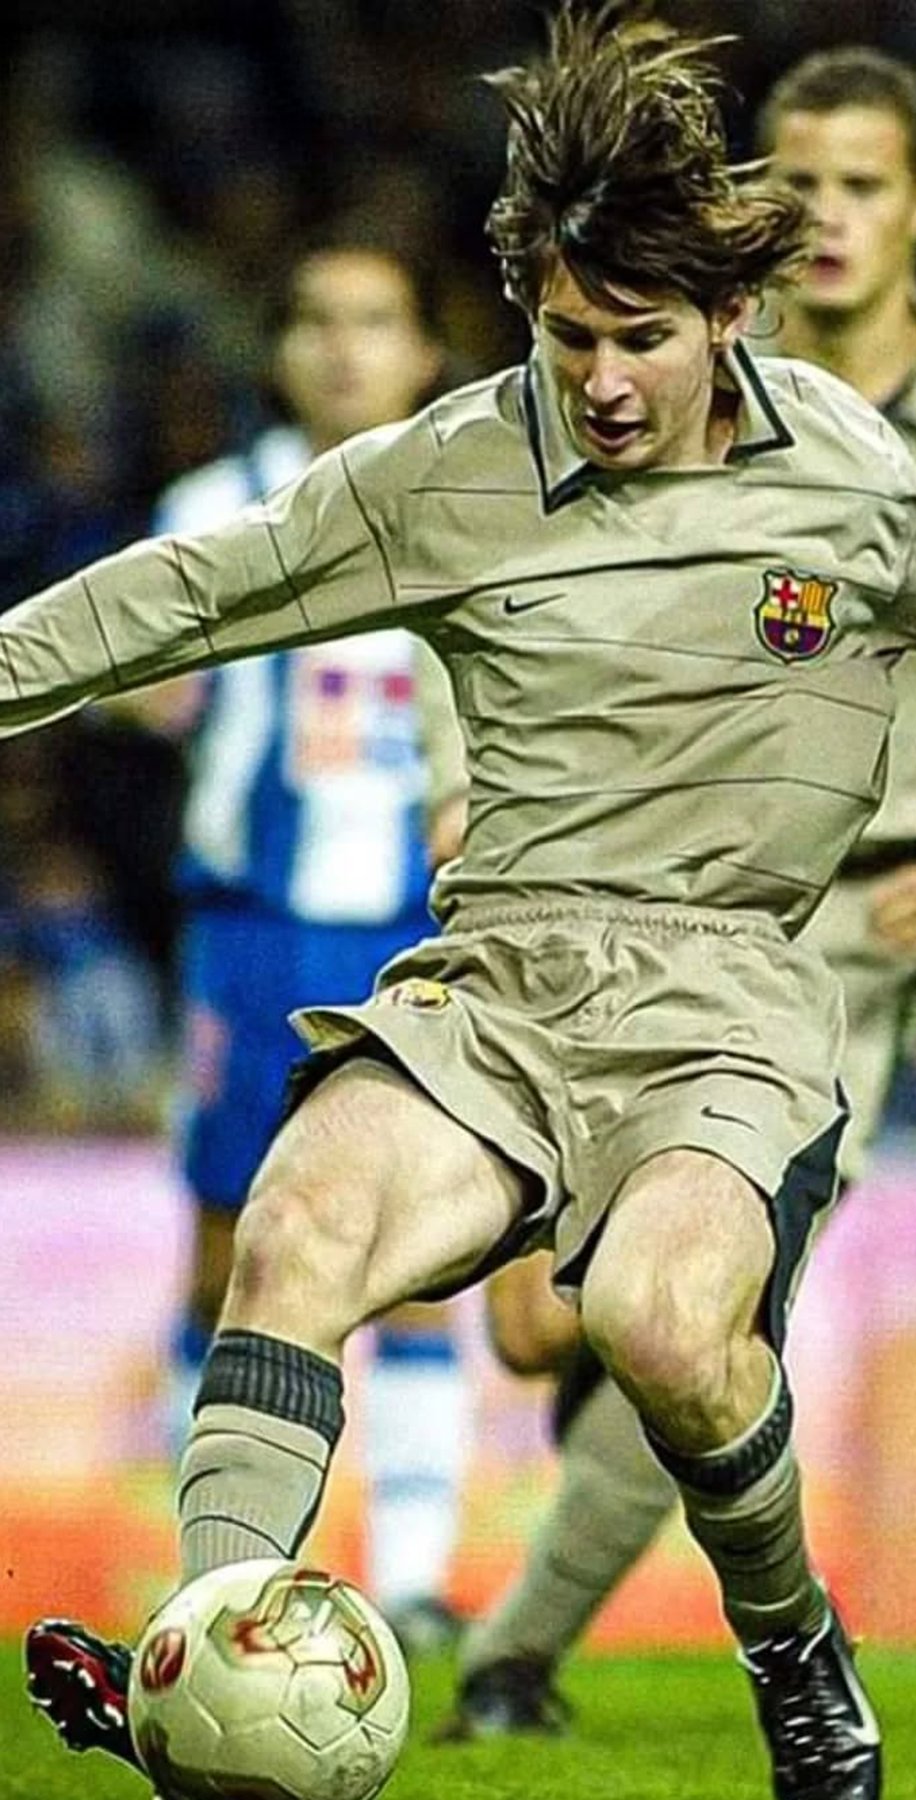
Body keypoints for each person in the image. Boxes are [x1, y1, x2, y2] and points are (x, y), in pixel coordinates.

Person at [17, 8, 916, 1797]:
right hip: (496, 981)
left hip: (729, 998)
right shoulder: (452, 470)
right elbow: (194, 590)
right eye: (569, 336)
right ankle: (209, 1660)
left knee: (661, 1321)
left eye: (642, 337)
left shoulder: (843, 471)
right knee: (297, 1224)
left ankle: (796, 1652)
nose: (603, 379)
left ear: (732, 315)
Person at [440, 45, 916, 1740]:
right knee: (549, 1329)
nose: (827, 217)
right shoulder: (665, 364)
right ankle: (579, 1402)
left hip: (850, 940)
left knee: (695, 1313)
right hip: (606, 897)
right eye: (796, 184)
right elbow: (516, 601)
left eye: (863, 185)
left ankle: (510, 1657)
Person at [132, 238, 469, 1655]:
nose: (342, 347)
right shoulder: (211, 509)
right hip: (253, 929)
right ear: (277, 348)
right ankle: (209, 1574)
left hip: (417, 935)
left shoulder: (474, 506)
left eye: (374, 320)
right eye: (316, 320)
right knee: (226, 1244)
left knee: (422, 1254)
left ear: (425, 351)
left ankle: (415, 1582)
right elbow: (129, 669)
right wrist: (147, 692)